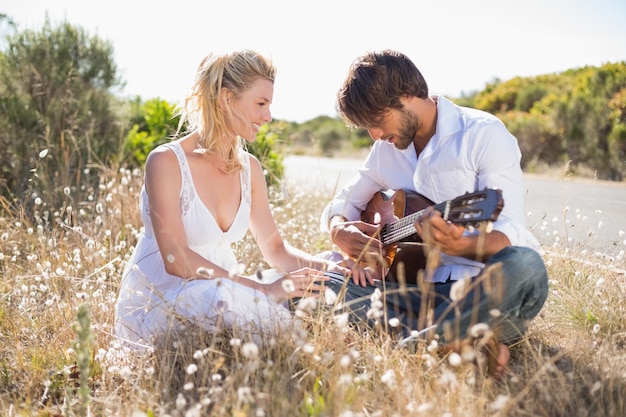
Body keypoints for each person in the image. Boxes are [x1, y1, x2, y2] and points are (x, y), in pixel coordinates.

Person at [320, 50, 549, 378]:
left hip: (480, 290)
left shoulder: (483, 134)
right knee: (317, 283)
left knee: (526, 266)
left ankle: (416, 344)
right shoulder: (386, 150)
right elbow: (344, 201)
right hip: (414, 291)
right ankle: (459, 339)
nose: (375, 135)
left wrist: (461, 247)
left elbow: (510, 230)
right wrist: (338, 230)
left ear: (407, 97)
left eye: (378, 122)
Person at [114, 50, 348, 350]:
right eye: (260, 104)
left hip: (228, 291)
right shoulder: (166, 162)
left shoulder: (250, 168)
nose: (268, 116)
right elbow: (176, 260)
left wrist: (330, 269)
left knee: (305, 281)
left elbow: (275, 249)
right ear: (226, 99)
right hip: (165, 302)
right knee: (225, 297)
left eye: (269, 105)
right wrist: (263, 290)